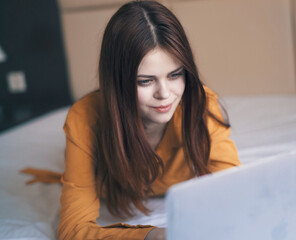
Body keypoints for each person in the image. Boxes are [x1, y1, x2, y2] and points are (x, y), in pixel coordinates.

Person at [19, 1, 240, 239]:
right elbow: (73, 230)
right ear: (117, 83)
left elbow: (237, 196)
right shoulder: (85, 119)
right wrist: (152, 236)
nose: (164, 94)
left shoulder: (200, 104)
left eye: (175, 75)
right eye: (145, 81)